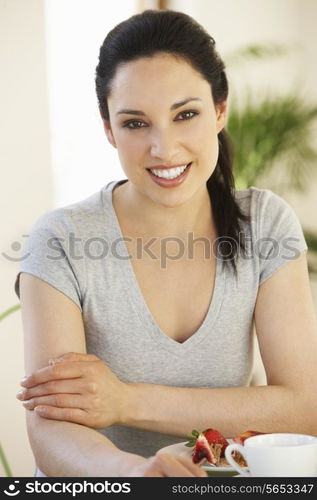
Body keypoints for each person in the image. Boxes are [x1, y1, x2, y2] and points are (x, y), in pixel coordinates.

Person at [15, 9, 317, 478]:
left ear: (220, 110)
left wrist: (126, 400)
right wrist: (134, 476)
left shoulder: (265, 223)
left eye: (186, 114)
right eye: (136, 123)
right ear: (108, 128)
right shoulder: (61, 241)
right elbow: (51, 429)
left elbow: (303, 410)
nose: (165, 148)